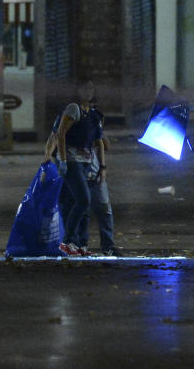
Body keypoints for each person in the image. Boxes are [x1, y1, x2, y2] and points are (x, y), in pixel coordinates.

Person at [44, 104, 119, 257]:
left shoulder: (94, 118)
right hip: (74, 166)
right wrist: (49, 161)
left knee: (97, 206)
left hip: (91, 167)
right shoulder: (67, 117)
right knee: (77, 203)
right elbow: (55, 138)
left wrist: (98, 130)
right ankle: (74, 243)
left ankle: (101, 245)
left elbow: (105, 145)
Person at [54, 79, 105, 257]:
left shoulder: (94, 114)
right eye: (85, 87)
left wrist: (102, 166)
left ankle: (81, 244)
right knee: (83, 199)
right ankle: (67, 241)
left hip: (86, 163)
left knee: (82, 204)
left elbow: (99, 142)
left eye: (91, 87)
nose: (89, 91)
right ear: (77, 90)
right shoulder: (73, 109)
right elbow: (60, 133)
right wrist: (62, 160)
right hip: (71, 160)